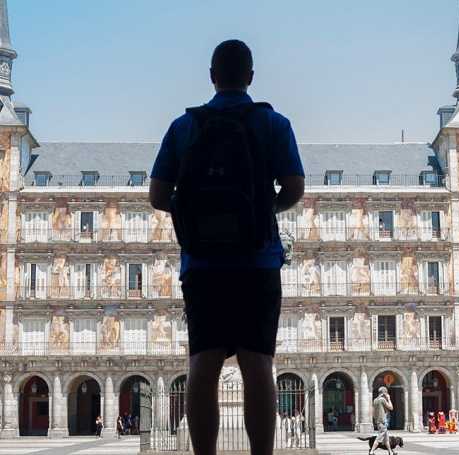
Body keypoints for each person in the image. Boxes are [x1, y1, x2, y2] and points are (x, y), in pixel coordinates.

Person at [149, 39, 305, 455]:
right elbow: (294, 189)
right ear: (250, 77)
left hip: (201, 264)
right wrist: (260, 210)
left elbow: (158, 196)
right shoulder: (274, 124)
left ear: (213, 77)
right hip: (258, 261)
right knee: (258, 364)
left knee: (203, 362)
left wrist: (196, 216)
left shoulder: (184, 127)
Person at [369, 386, 396, 455]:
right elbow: (391, 407)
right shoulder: (382, 400)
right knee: (380, 437)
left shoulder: (375, 400)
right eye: (386, 392)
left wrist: (377, 418)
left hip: (379, 421)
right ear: (384, 393)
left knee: (386, 438)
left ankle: (390, 452)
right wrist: (389, 399)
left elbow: (372, 412)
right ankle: (372, 451)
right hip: (383, 421)